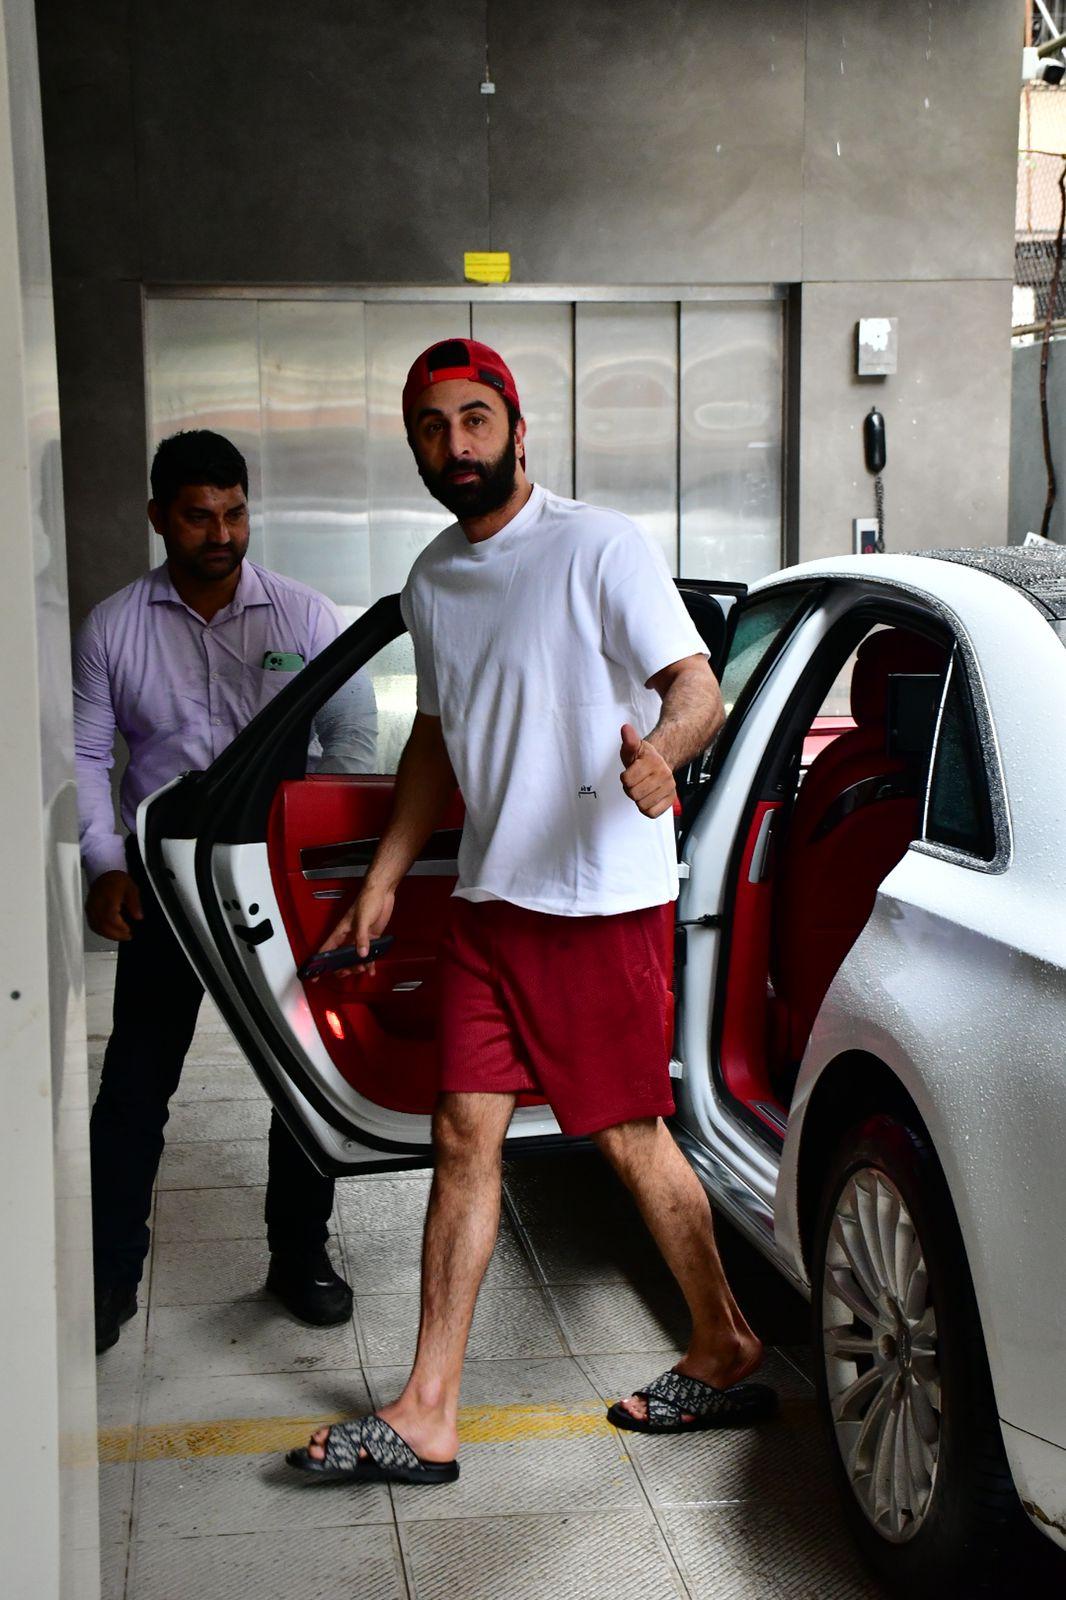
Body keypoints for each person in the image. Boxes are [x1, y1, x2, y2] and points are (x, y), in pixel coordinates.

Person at [285, 340, 775, 1488]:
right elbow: (435, 738)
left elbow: (695, 685)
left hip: (597, 904)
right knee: (463, 1134)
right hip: (489, 902)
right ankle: (428, 1409)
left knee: (624, 1133)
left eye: (473, 419)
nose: (454, 444)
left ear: (515, 425)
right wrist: (388, 870)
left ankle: (725, 1337)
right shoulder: (429, 578)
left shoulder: (596, 543)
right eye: (430, 426)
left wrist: (660, 757)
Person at [75, 429, 377, 1354]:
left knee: (300, 1080)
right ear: (160, 515)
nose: (223, 533)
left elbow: (352, 741)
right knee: (135, 1087)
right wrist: (104, 862)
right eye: (200, 516)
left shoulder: (302, 616)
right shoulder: (114, 627)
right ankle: (107, 1272)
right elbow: (90, 760)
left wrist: (314, 849)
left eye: (236, 512)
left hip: (270, 883)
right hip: (164, 884)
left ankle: (299, 1256)